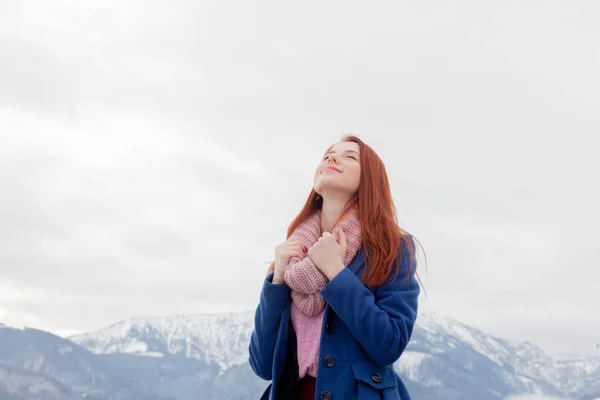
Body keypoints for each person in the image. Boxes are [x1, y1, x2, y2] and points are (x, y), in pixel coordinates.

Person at [249, 135, 423, 400]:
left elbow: (388, 345)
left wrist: (336, 273)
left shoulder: (392, 247)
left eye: (349, 156)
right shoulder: (293, 256)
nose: (332, 158)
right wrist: (277, 282)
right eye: (327, 155)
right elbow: (262, 365)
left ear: (369, 180)